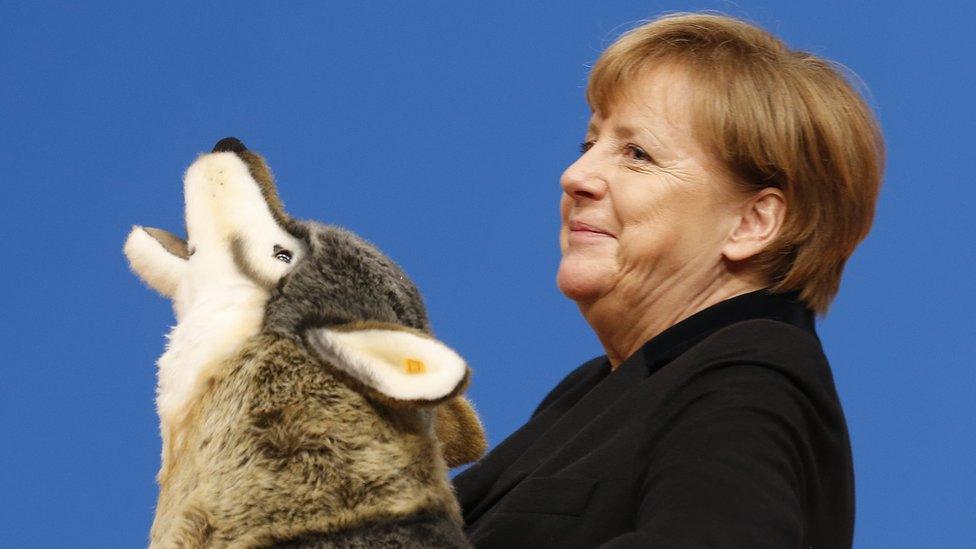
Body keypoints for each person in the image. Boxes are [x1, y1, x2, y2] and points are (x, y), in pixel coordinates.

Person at [453, 12, 883, 548]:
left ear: (753, 223)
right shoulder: (600, 386)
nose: (576, 177)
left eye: (637, 154)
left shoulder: (749, 380)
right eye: (590, 145)